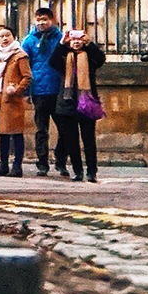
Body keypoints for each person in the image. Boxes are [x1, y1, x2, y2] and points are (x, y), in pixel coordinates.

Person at [49, 28, 106, 182]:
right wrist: (61, 44)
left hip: (86, 102)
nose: (76, 43)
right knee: (71, 141)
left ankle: (92, 172)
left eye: (79, 40)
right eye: (73, 40)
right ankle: (78, 171)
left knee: (89, 140)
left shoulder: (89, 56)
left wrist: (90, 44)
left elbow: (101, 59)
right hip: (67, 103)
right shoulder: (64, 56)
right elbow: (52, 62)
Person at [22, 7, 67, 176]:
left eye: (45, 20)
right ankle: (42, 163)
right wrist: (26, 91)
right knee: (41, 130)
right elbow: (24, 67)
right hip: (39, 90)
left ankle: (61, 161)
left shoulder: (61, 39)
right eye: (39, 20)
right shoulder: (28, 41)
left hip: (58, 89)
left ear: (52, 20)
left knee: (64, 129)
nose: (41, 23)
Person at [0, 24, 33, 177]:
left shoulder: (20, 56)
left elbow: (27, 76)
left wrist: (17, 90)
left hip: (12, 99)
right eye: (1, 36)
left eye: (7, 35)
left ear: (14, 37)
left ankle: (17, 166)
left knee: (16, 133)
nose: (4, 38)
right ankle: (3, 165)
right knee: (3, 133)